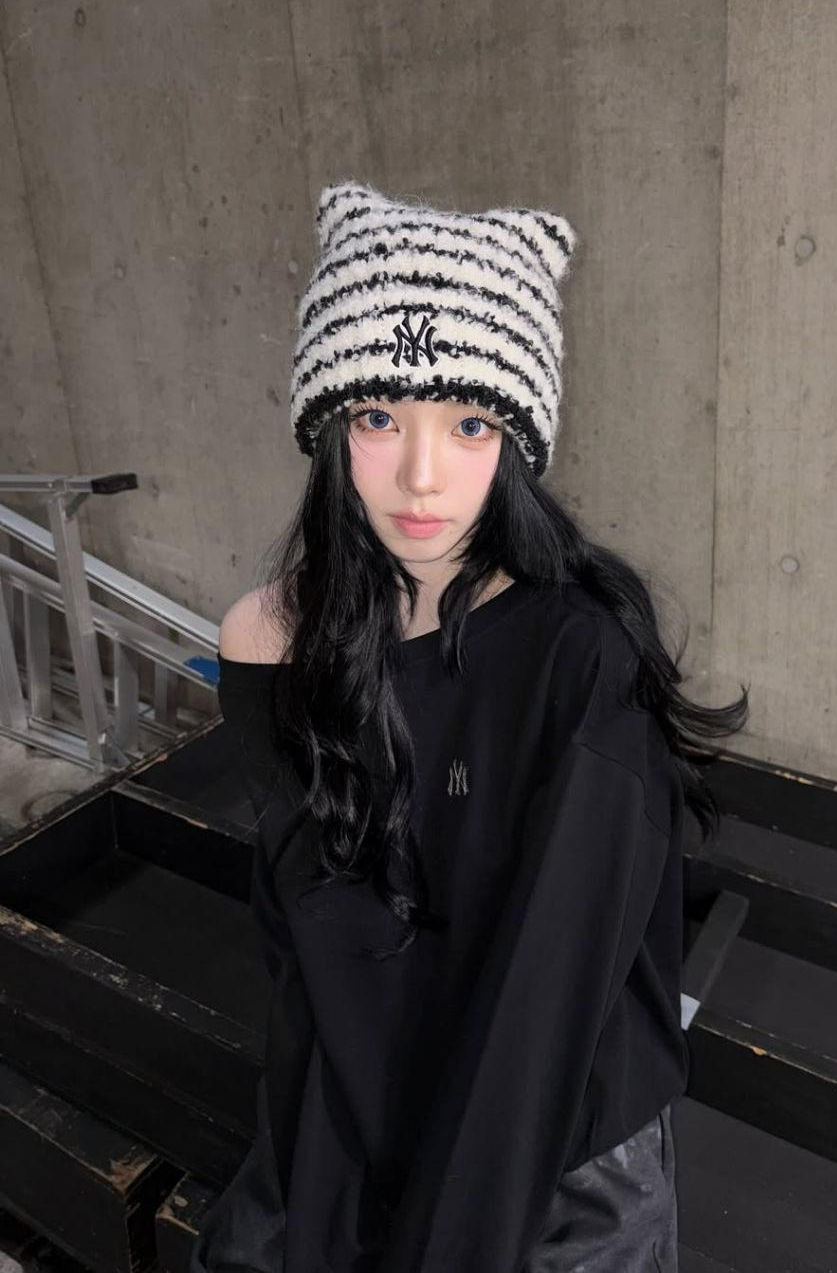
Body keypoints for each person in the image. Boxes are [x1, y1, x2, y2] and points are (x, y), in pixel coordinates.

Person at [190, 179, 749, 1273]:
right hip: (356, 1111)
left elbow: (547, 1009)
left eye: (471, 422)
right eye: (377, 416)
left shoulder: (580, 656)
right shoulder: (269, 641)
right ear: (328, 426)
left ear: (517, 439)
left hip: (561, 1155)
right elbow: (307, 946)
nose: (420, 474)